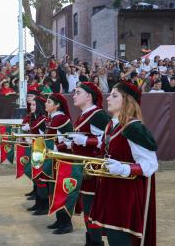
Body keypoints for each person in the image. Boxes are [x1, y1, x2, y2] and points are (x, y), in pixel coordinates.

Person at [90, 81, 158, 246]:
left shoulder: (134, 128)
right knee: (114, 237)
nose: (108, 99)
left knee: (121, 239)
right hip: (111, 190)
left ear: (126, 100)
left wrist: (124, 168)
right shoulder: (110, 126)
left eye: (114, 95)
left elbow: (151, 164)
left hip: (127, 196)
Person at [69, 82, 110, 246]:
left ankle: (95, 242)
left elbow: (107, 140)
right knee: (87, 208)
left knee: (91, 208)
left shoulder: (98, 114)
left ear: (89, 96)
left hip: (93, 171)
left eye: (78, 92)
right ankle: (92, 241)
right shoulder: (83, 114)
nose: (74, 95)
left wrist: (85, 140)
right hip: (84, 169)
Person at [43, 93, 75, 235]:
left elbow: (69, 141)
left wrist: (55, 148)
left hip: (62, 159)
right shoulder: (53, 119)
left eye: (49, 102)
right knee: (54, 189)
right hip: (54, 158)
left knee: (62, 190)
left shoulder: (61, 118)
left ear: (57, 105)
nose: (46, 104)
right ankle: (59, 219)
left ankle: (66, 223)